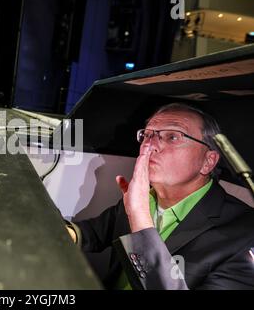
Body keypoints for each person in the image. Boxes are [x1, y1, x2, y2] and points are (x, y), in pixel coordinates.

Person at [66, 103, 254, 289]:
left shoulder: (244, 234)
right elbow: (92, 233)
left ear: (208, 161)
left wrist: (139, 217)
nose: (149, 146)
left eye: (172, 137)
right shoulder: (144, 197)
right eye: (147, 135)